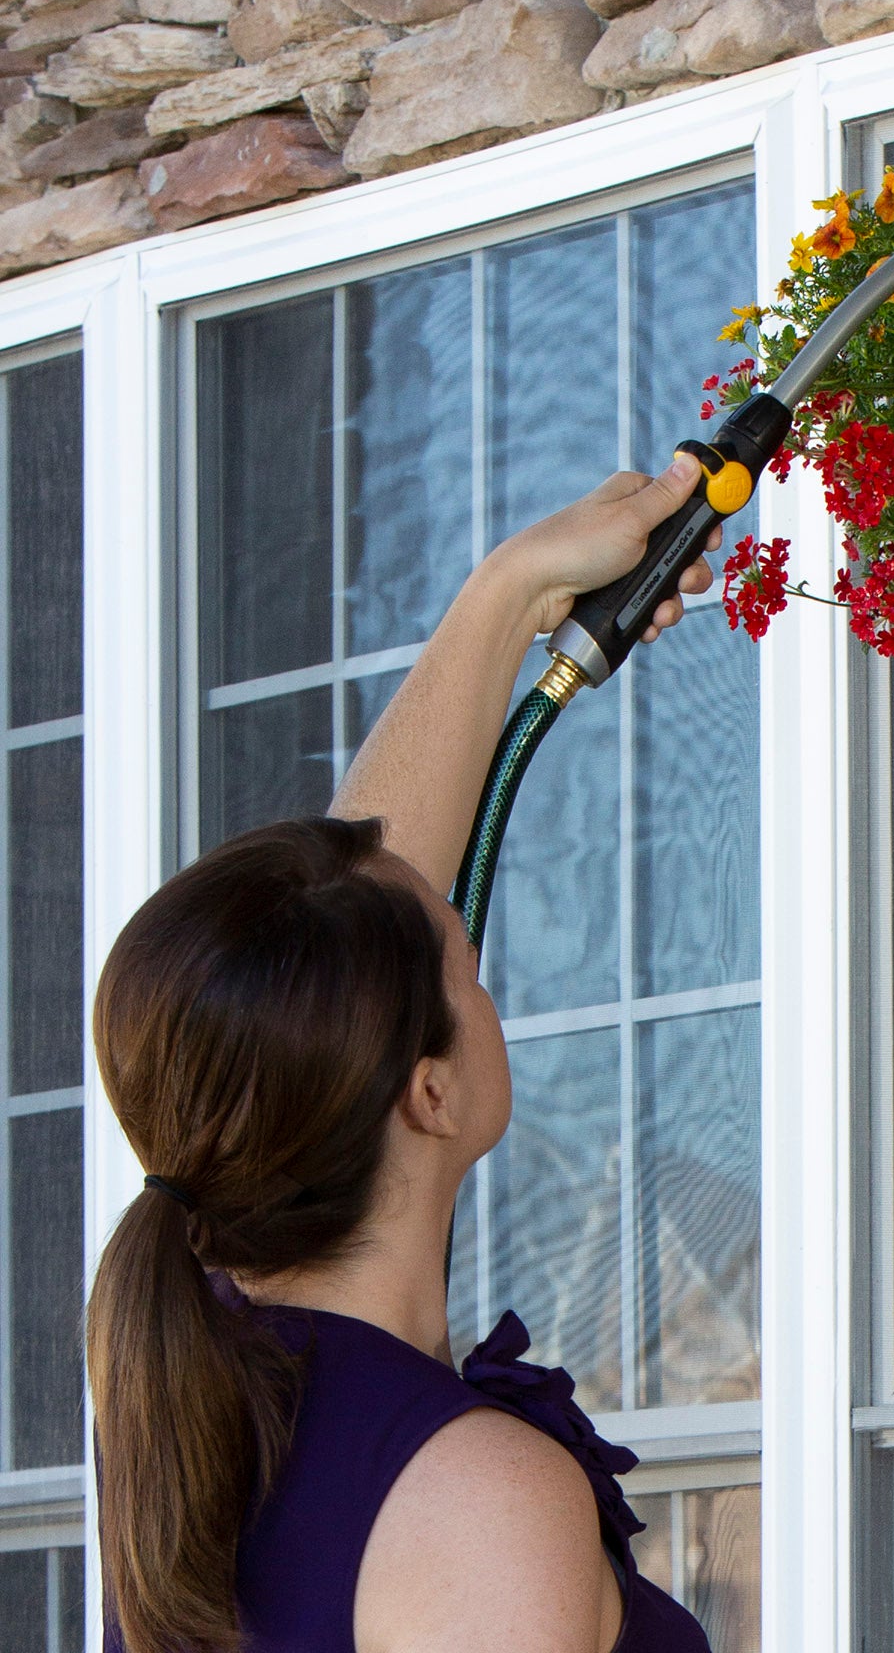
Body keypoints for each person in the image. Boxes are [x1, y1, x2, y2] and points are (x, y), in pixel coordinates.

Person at [87, 459, 724, 1653]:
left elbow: (353, 905)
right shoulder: (471, 1503)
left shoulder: (224, 1419)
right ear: (426, 1088)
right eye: (466, 963)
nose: (484, 967)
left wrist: (509, 595)